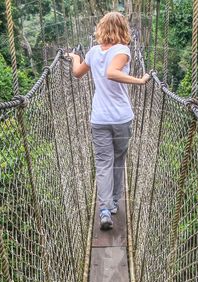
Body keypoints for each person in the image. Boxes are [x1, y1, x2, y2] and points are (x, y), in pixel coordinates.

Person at [68, 12, 150, 230]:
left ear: (101, 29)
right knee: (117, 160)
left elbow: (77, 73)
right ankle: (112, 204)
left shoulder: (93, 52)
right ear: (123, 29)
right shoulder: (123, 50)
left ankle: (105, 209)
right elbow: (112, 73)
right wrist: (140, 81)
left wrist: (76, 58)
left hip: (99, 118)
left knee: (104, 163)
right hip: (121, 118)